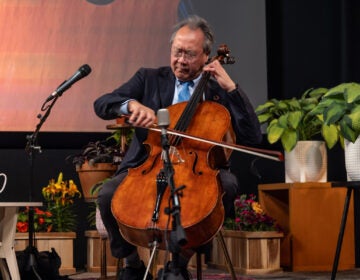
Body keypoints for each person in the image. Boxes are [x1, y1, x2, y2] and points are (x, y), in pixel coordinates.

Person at [93, 15, 262, 280]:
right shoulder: (149, 78)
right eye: (177, 52)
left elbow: (252, 137)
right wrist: (131, 105)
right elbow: (102, 104)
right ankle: (132, 263)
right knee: (107, 195)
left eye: (189, 54)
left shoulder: (218, 93)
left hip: (199, 171)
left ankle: (179, 262)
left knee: (226, 187)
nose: (181, 60)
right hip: (147, 165)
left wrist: (231, 87)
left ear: (206, 56)